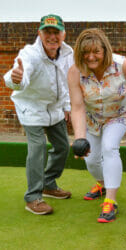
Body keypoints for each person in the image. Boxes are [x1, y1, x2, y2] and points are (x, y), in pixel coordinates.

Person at [67, 28, 126, 223]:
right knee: (90, 160)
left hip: (119, 115)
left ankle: (111, 201)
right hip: (92, 119)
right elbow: (77, 106)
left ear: (104, 50)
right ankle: (102, 185)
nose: (91, 57)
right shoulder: (75, 72)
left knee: (109, 147)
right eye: (86, 53)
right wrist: (80, 138)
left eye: (96, 51)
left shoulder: (121, 65)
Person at [4, 14, 73, 215]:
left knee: (62, 146)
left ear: (63, 34)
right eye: (47, 32)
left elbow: (67, 82)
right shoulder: (30, 54)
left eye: (56, 32)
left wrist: (67, 106)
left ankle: (48, 183)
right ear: (40, 34)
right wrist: (15, 79)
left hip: (54, 109)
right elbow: (18, 76)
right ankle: (33, 197)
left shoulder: (67, 53)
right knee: (38, 148)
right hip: (31, 108)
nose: (52, 37)